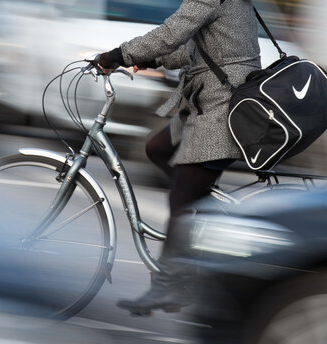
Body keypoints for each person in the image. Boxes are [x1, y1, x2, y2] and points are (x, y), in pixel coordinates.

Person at [95, 0, 262, 315]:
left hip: (221, 111)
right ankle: (198, 213)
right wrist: (152, 58)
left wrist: (116, 55)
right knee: (157, 149)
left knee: (181, 201)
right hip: (209, 102)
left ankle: (171, 286)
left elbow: (172, 32)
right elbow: (192, 49)